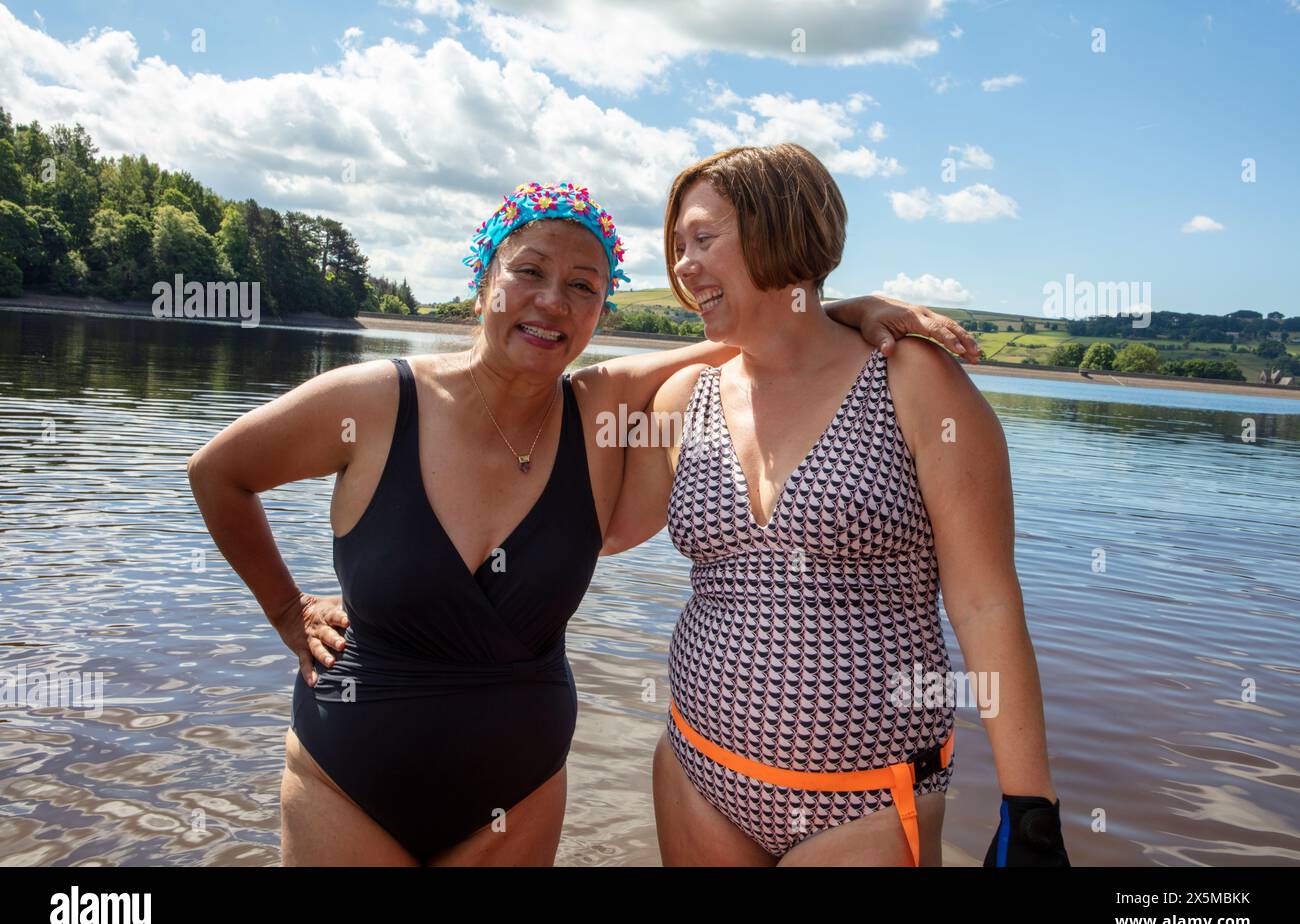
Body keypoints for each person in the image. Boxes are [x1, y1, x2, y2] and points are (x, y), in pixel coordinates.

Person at [186, 178, 979, 867]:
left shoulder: (602, 411)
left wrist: (850, 307)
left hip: (516, 798)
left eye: (584, 287)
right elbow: (218, 474)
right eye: (528, 272)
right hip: (347, 780)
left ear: (601, 308)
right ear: (484, 279)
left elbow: (758, 332)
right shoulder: (372, 402)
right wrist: (288, 610)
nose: (551, 301)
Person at [601, 144, 1068, 866]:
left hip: (869, 801)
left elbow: (985, 604)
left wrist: (1030, 807)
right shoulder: (682, 398)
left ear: (780, 230)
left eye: (703, 239)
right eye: (677, 246)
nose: (683, 266)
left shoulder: (912, 381)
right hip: (698, 772)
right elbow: (599, 534)